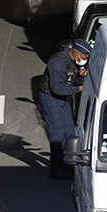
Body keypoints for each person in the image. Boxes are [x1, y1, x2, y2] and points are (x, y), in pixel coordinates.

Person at [39, 39, 88, 179]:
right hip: (51, 98)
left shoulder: (73, 62)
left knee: (69, 131)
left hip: (62, 98)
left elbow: (70, 81)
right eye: (84, 57)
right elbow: (57, 88)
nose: (84, 60)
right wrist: (78, 89)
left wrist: (80, 77)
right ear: (77, 53)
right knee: (58, 135)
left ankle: (68, 165)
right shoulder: (57, 63)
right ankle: (56, 168)